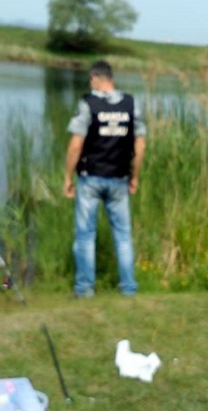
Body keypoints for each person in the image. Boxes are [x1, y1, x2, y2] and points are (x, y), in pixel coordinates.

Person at [63, 60, 147, 298]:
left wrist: (67, 177)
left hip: (90, 179)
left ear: (95, 79)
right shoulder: (131, 104)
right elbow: (140, 145)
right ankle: (128, 288)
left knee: (85, 235)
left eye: (91, 80)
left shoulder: (88, 104)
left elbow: (75, 145)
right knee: (123, 235)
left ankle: (84, 289)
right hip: (119, 179)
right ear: (112, 78)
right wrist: (135, 176)